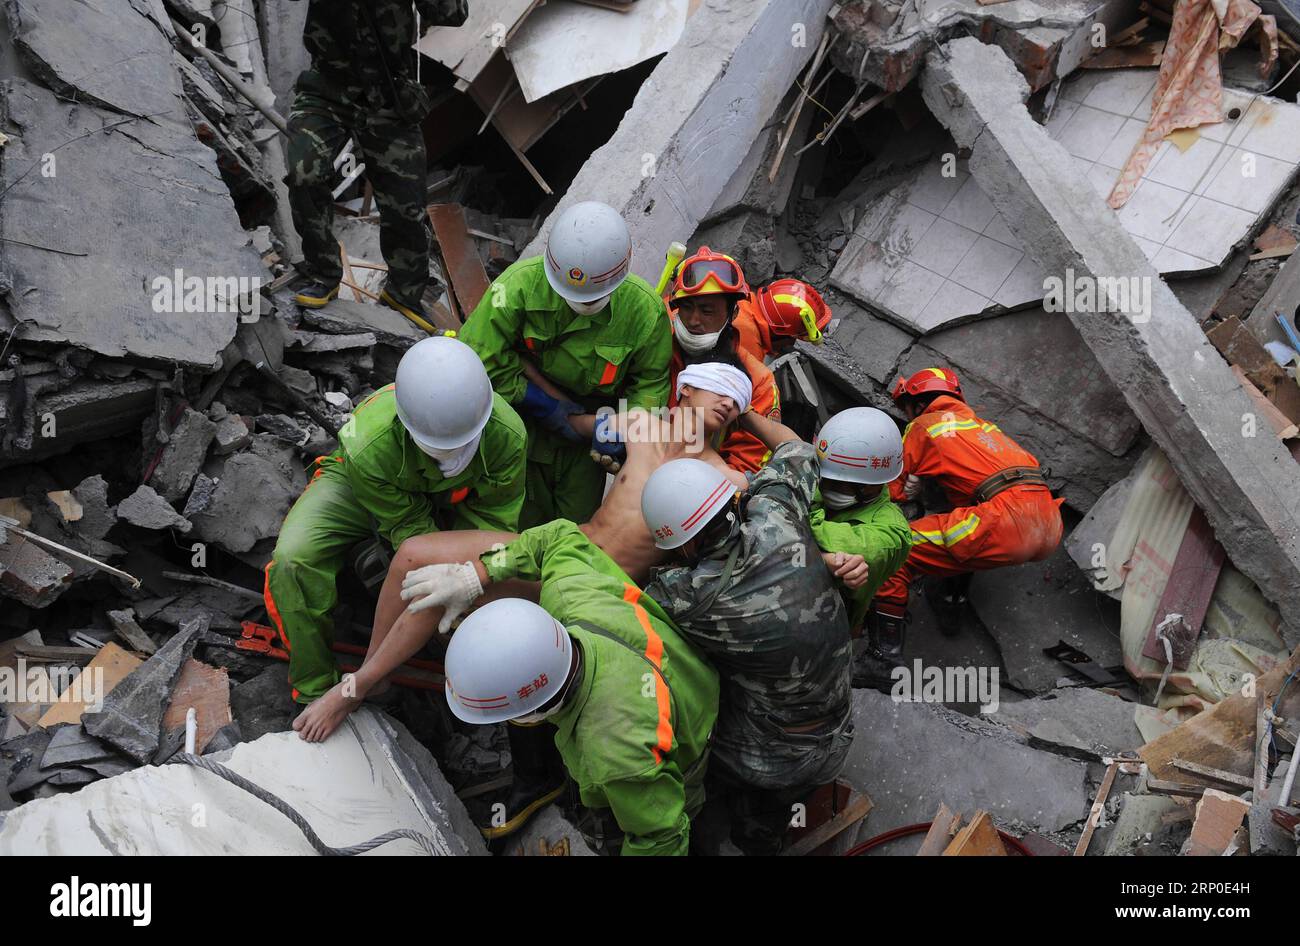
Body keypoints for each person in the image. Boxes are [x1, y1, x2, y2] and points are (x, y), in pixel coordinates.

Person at [291, 364, 751, 755]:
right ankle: (375, 675)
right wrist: (525, 373)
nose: (731, 401)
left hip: (598, 585)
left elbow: (788, 469)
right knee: (414, 555)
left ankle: (355, 686)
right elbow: (569, 421)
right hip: (561, 545)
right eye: (723, 388)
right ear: (685, 388)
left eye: (740, 400)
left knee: (444, 584)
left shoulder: (723, 478)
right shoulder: (641, 426)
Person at [417, 525, 719, 856]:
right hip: (689, 677)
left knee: (667, 819)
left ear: (531, 715)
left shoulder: (614, 752)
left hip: (689, 740)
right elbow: (558, 536)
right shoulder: (570, 594)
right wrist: (479, 572)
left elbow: (660, 836)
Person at [638, 409, 853, 855]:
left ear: (686, 544)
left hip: (776, 757)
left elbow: (628, 606)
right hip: (839, 720)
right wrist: (747, 416)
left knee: (689, 716)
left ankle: (747, 832)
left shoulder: (689, 597)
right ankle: (766, 826)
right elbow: (797, 448)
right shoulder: (775, 511)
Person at [265, 336, 525, 704]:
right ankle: (316, 688)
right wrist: (434, 582)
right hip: (362, 485)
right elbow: (411, 535)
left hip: (452, 500)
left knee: (481, 583)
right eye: (439, 447)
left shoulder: (507, 437)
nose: (450, 453)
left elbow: (493, 531)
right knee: (293, 561)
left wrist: (466, 583)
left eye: (460, 445)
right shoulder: (368, 442)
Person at [458, 201, 672, 528]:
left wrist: (628, 432)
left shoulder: (645, 313)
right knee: (515, 527)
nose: (581, 304)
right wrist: (538, 402)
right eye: (571, 295)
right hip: (518, 425)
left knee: (576, 533)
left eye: (592, 298)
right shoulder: (517, 288)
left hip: (586, 444)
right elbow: (473, 363)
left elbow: (650, 387)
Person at [284, 0, 468, 328]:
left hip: (389, 97)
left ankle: (404, 293)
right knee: (304, 172)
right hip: (326, 89)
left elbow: (452, 14)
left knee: (407, 206)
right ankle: (322, 273)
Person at [875, 367, 1064, 673]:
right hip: (1048, 523)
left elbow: (890, 488)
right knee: (960, 532)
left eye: (908, 408)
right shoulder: (984, 428)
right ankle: (950, 601)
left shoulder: (924, 424)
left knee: (890, 549)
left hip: (1003, 522)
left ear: (919, 403)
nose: (908, 416)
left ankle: (882, 659)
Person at [769, 407, 913, 686]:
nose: (836, 489)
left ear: (877, 483)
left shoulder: (893, 532)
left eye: (849, 485)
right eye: (831, 480)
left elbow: (822, 536)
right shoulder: (817, 475)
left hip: (823, 629)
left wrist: (795, 502)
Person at [666, 247, 780, 474]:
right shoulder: (657, 338)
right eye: (686, 307)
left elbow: (747, 462)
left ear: (733, 314)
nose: (693, 320)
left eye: (707, 311)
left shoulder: (757, 382)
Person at [733, 278, 833, 363]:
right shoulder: (750, 352)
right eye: (793, 339)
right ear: (779, 332)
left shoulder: (740, 298)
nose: (791, 344)